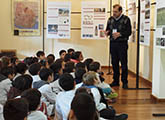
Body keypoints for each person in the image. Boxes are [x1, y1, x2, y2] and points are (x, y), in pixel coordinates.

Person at [105, 4, 132, 89]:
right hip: (113, 43)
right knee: (114, 62)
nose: (114, 13)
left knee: (123, 63)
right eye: (113, 11)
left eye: (116, 12)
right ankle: (115, 81)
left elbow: (129, 32)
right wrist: (107, 32)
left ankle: (124, 81)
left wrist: (120, 34)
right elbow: (108, 29)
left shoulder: (126, 19)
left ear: (121, 11)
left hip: (122, 44)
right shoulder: (110, 19)